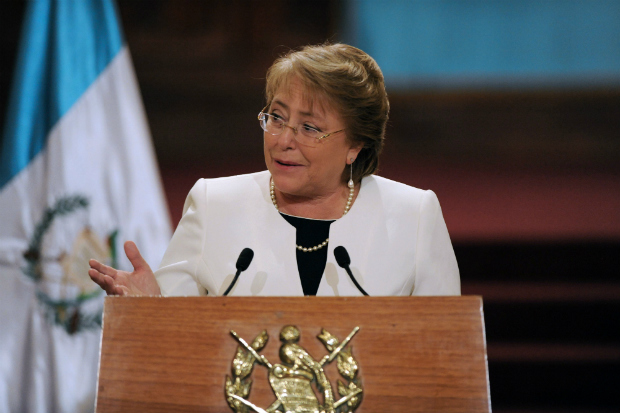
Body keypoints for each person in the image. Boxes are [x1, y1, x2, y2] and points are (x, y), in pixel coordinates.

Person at [89, 43, 460, 297]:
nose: (284, 139)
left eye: (309, 128)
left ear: (355, 146)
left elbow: (445, 349)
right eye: (277, 118)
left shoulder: (414, 215)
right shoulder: (213, 204)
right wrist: (153, 310)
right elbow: (177, 341)